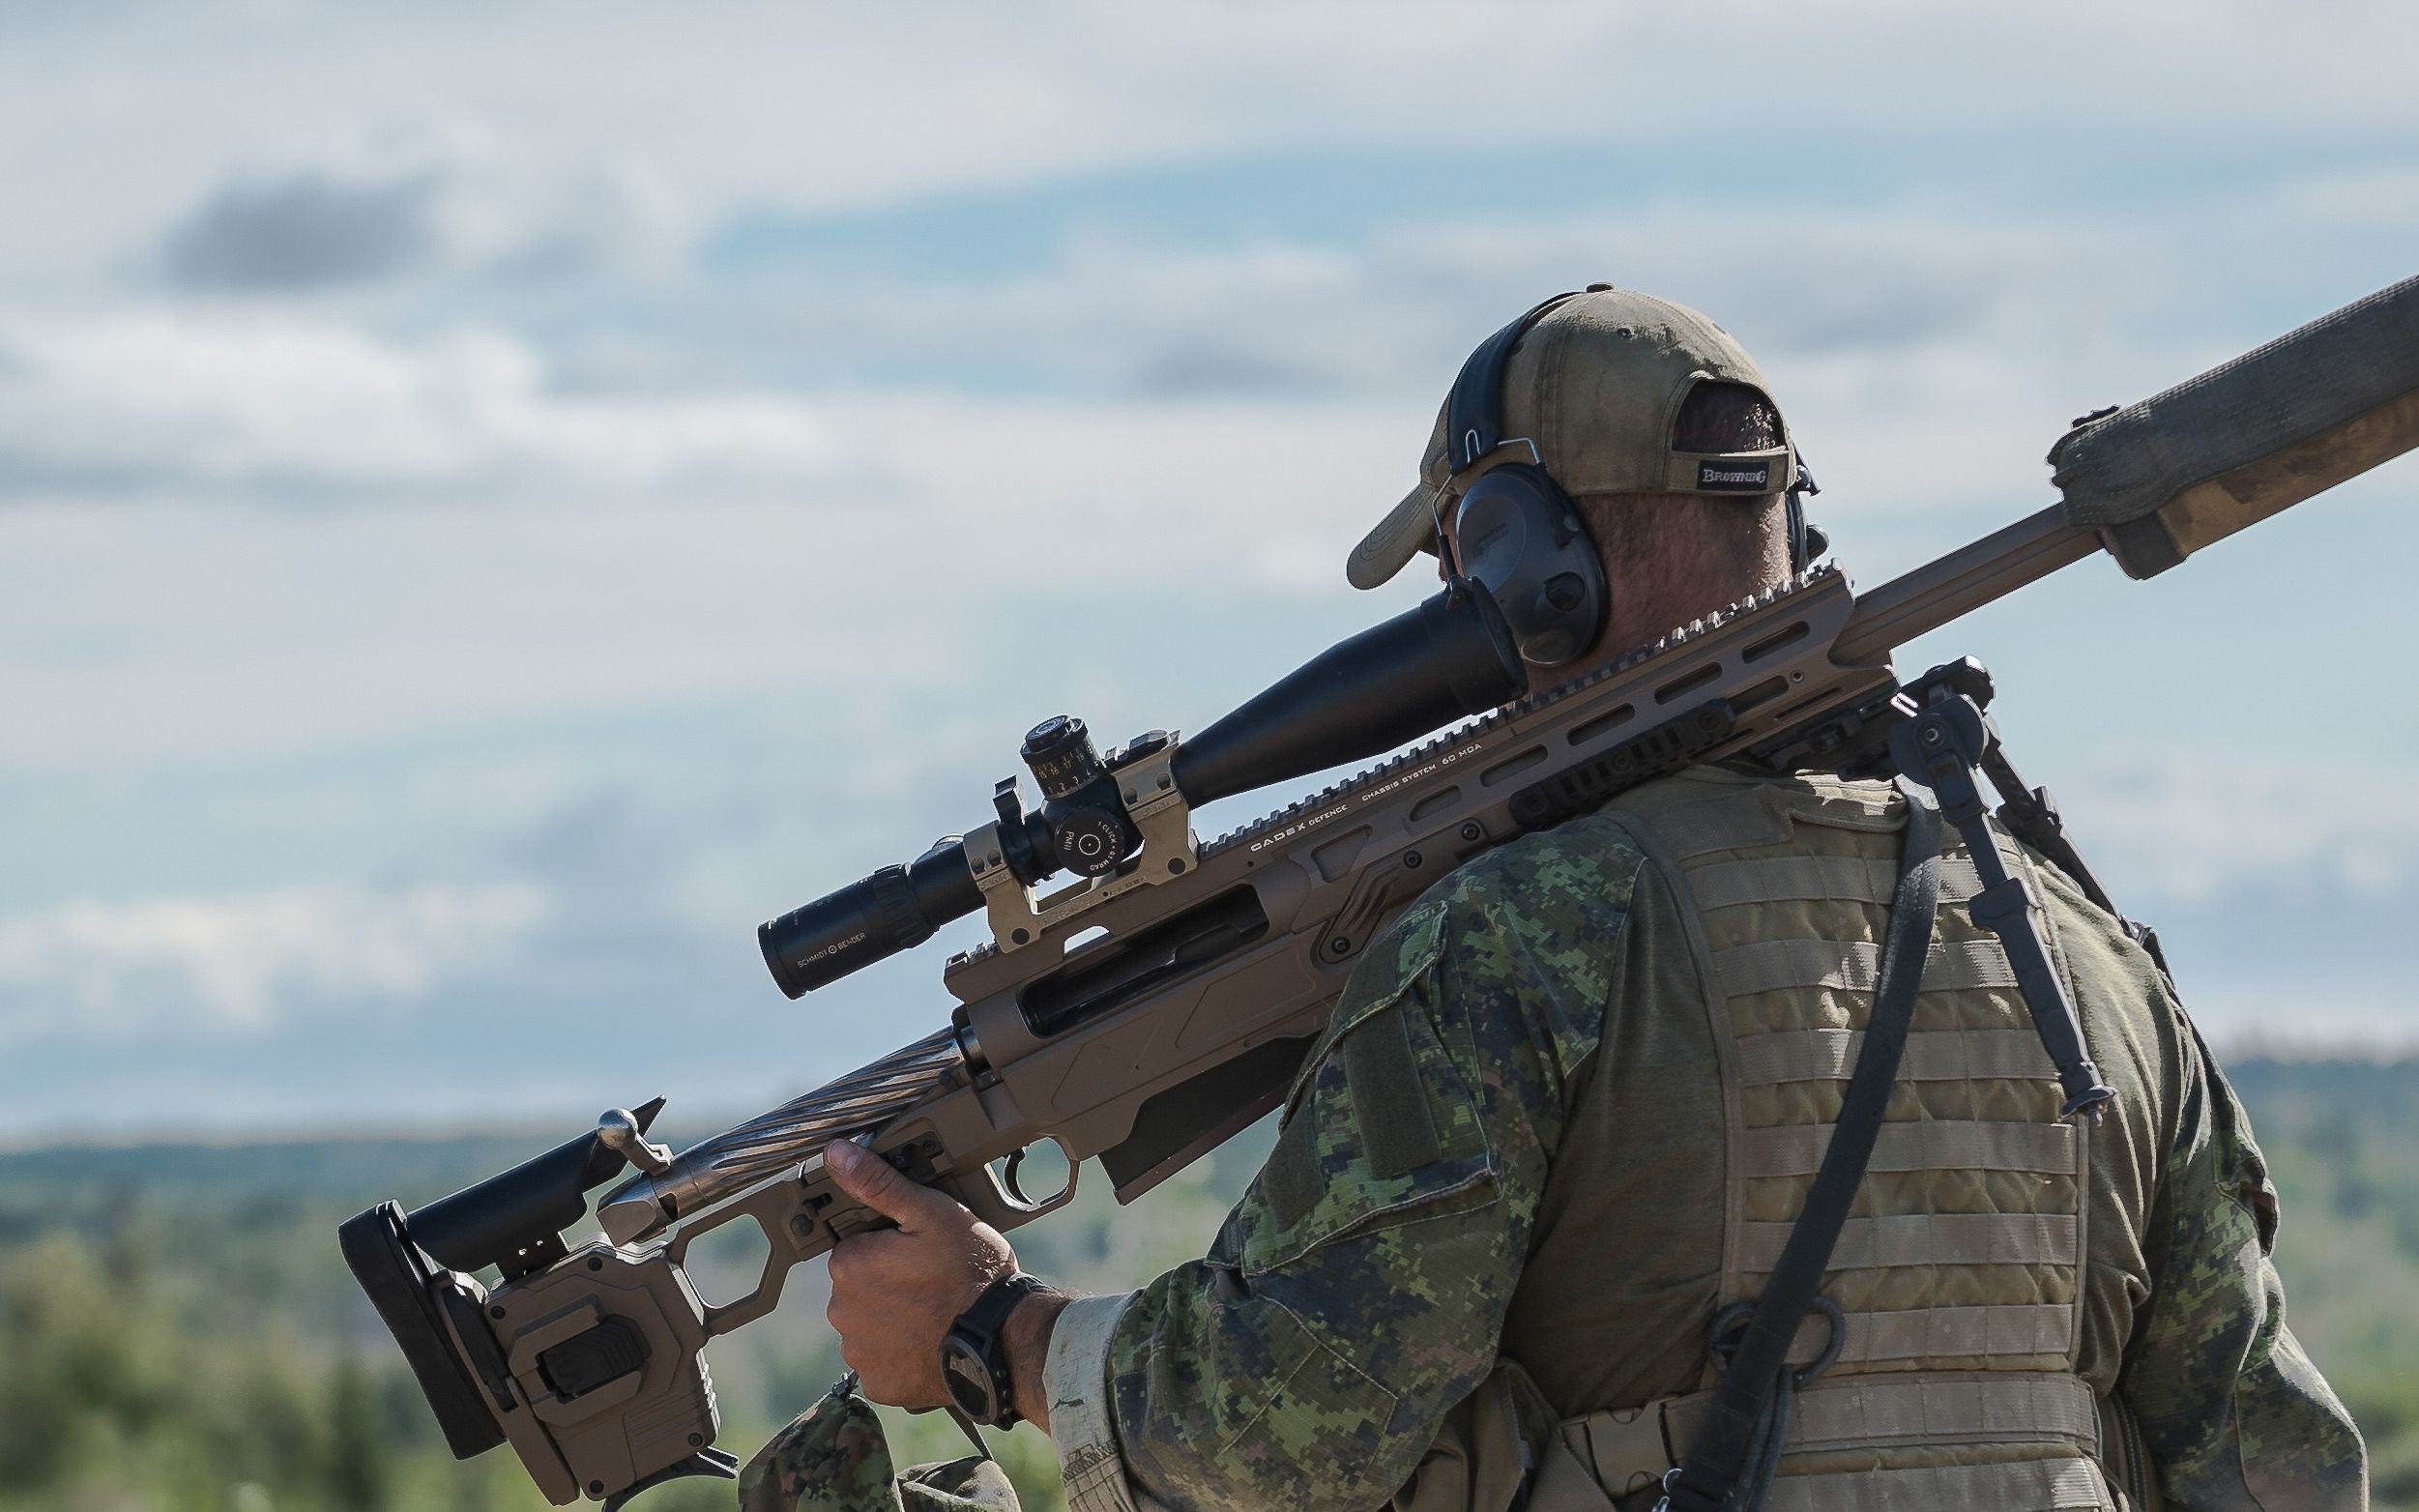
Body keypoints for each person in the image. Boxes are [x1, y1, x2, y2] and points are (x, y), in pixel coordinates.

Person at [743, 287, 2368, 1512]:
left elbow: (1291, 1423)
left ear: (1528, 568)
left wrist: (994, 1336)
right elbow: (2272, 1460)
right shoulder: (2080, 951)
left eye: (1460, 561)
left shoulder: (1520, 930)